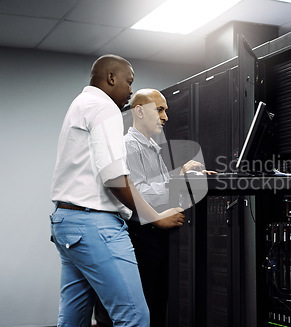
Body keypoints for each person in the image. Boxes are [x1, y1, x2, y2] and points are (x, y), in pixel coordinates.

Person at [50, 56, 185, 327]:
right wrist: (155, 218)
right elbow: (114, 176)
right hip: (95, 224)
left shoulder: (79, 104)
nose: (131, 90)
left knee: (73, 319)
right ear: (111, 78)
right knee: (134, 317)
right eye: (129, 82)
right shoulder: (104, 107)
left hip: (65, 221)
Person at [94, 89, 214, 327]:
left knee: (157, 305)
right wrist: (178, 178)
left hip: (153, 236)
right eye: (159, 109)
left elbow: (155, 189)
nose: (165, 117)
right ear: (139, 111)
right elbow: (138, 194)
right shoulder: (129, 146)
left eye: (165, 110)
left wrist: (184, 177)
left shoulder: (150, 146)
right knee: (145, 306)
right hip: (140, 236)